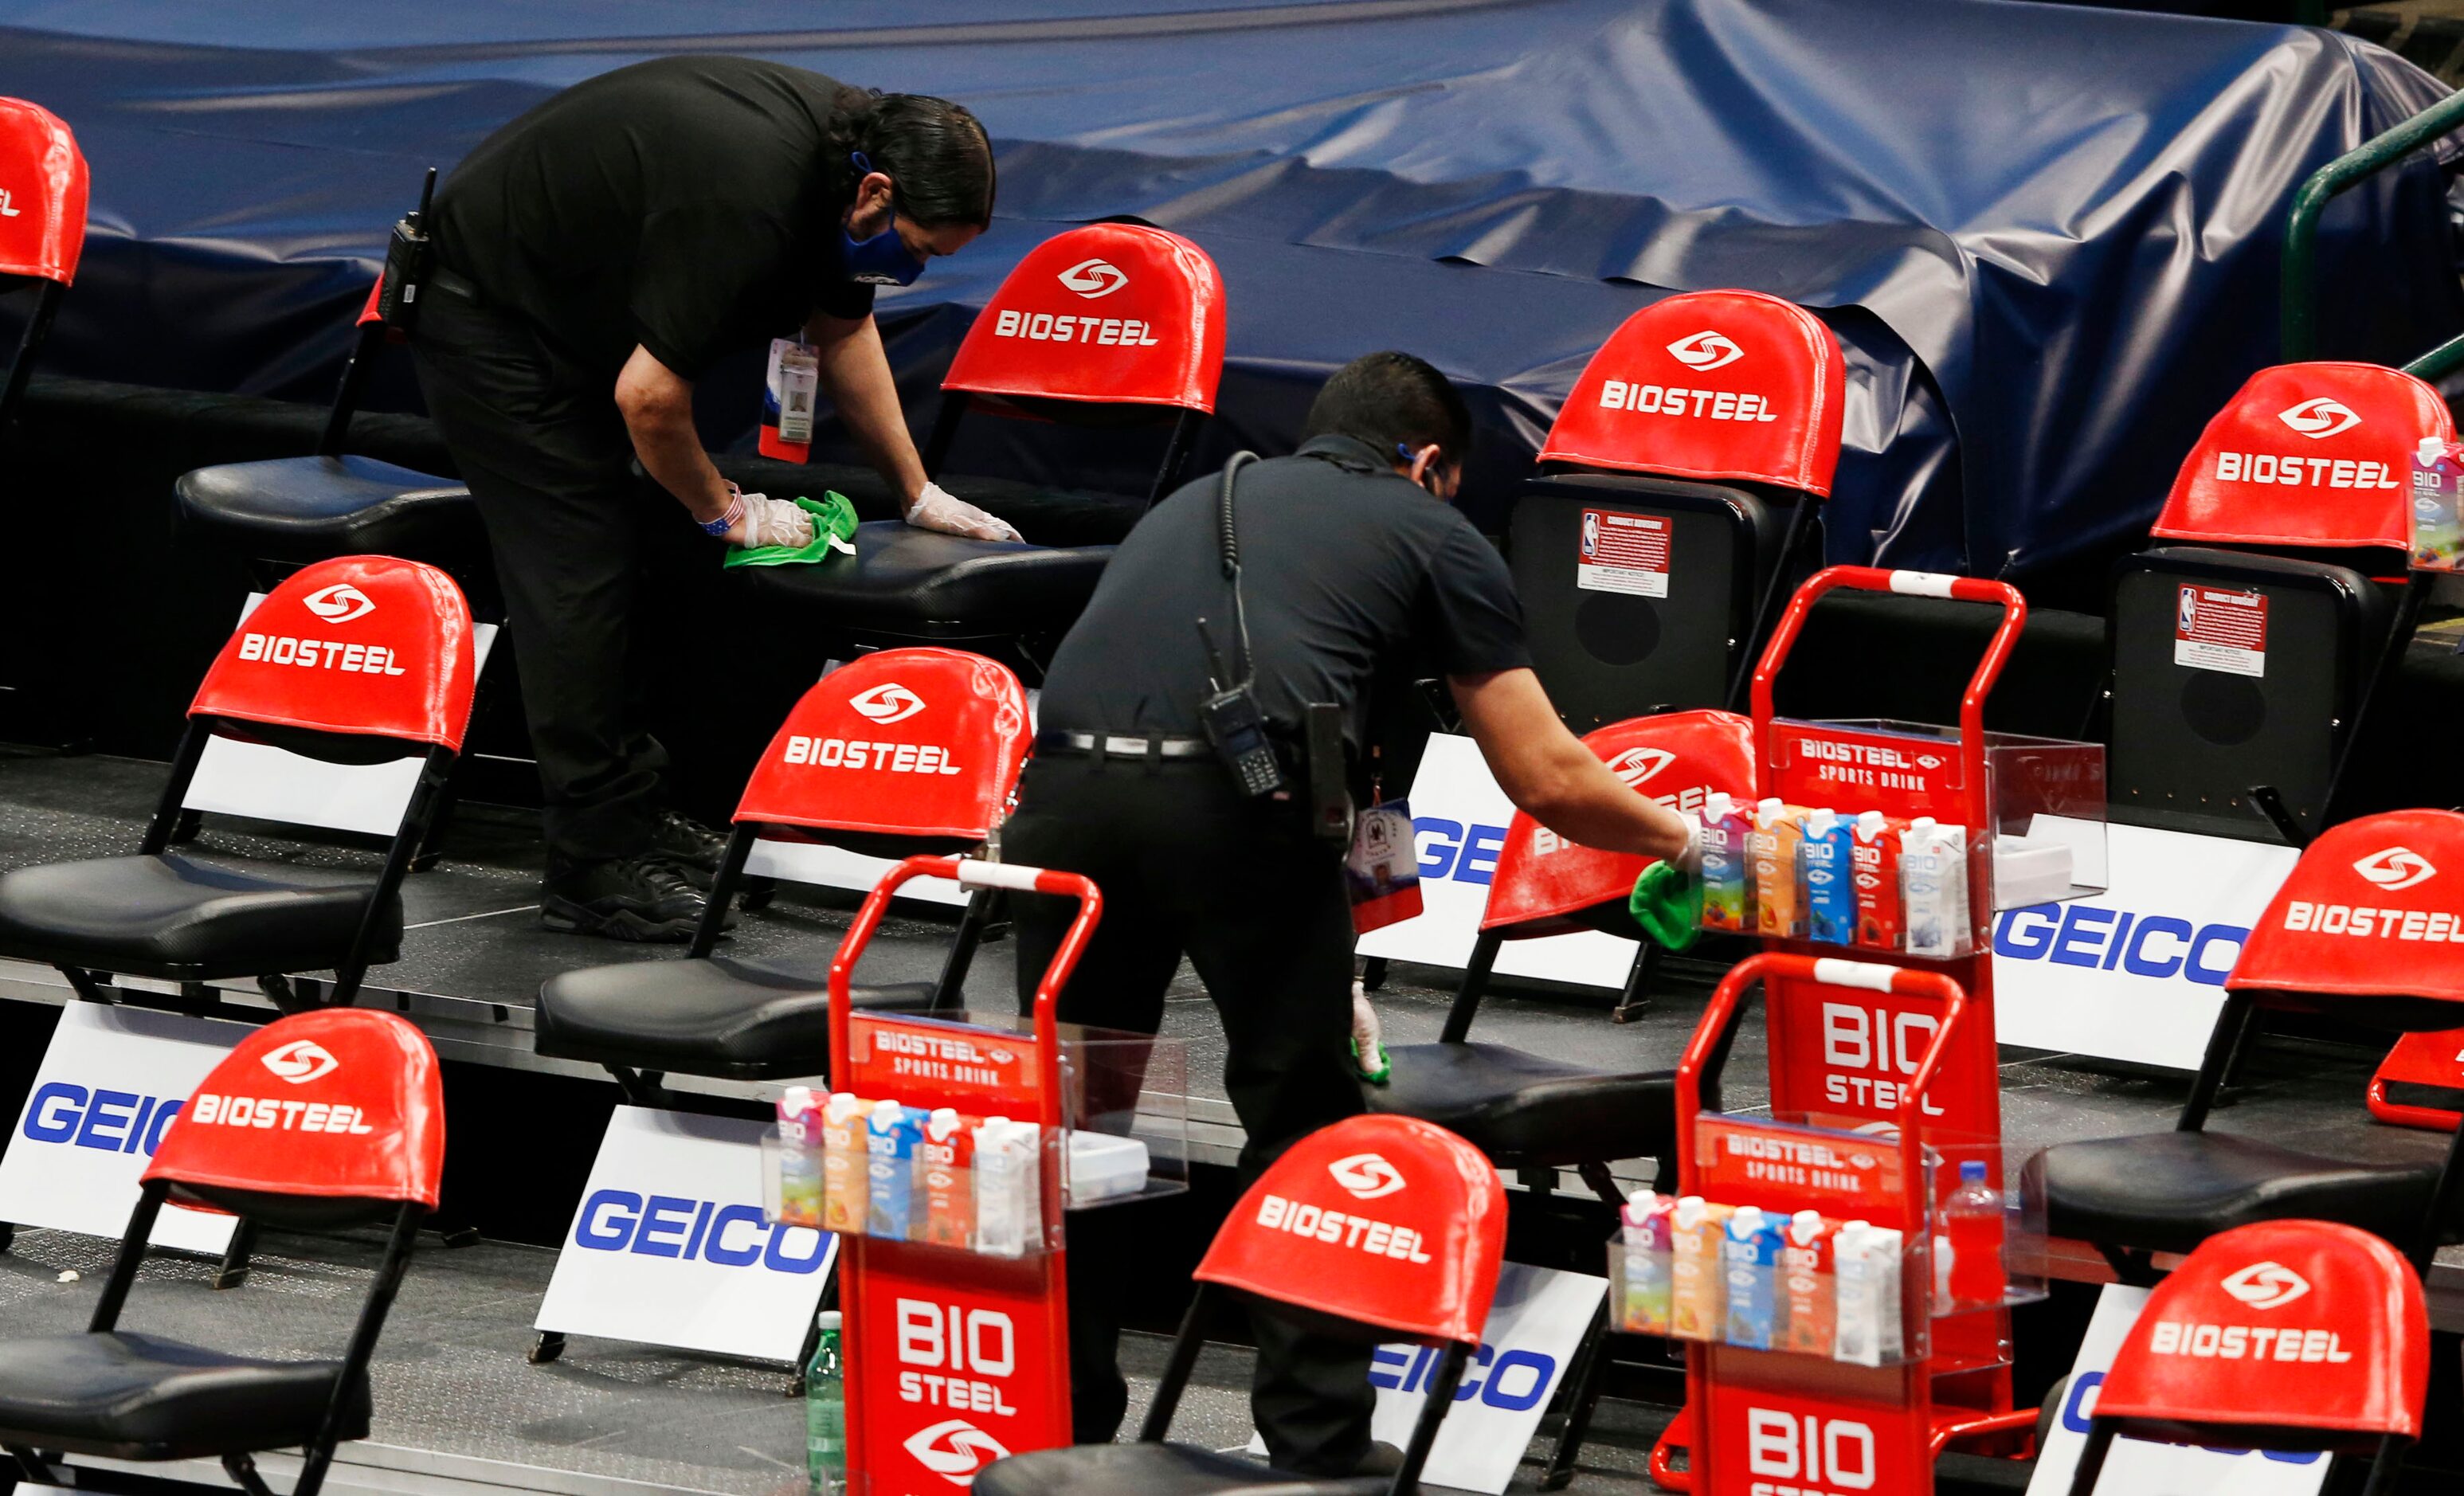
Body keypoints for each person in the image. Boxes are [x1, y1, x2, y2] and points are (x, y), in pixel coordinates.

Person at [1005, 352, 1698, 1474]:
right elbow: (1547, 775)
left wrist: (1343, 969)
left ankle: (1061, 1425)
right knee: (1299, 1117)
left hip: (1059, 806)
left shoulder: (1205, 497)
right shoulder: (1432, 532)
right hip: (1227, 813)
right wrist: (1683, 839)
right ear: (1428, 462)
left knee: (1085, 1117)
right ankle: (1318, 1443)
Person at [410, 56, 1020, 940]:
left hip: (576, 296)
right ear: (879, 194)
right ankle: (593, 865)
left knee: (654, 556)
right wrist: (730, 512)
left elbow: (842, 326)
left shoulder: (847, 168)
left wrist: (918, 490)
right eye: (920, 250)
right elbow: (649, 400)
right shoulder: (750, 200)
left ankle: (635, 813)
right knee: (581, 569)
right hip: (488, 314)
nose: (914, 270)